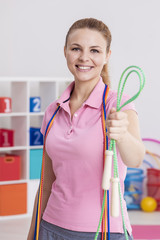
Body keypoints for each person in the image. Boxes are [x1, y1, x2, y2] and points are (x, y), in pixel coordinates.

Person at [27, 18, 145, 240]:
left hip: (103, 231)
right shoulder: (52, 111)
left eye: (95, 50)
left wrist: (122, 135)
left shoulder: (117, 104)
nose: (84, 57)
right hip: (51, 228)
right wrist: (33, 233)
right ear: (65, 52)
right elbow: (46, 184)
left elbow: (136, 158)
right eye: (76, 49)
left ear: (107, 55)